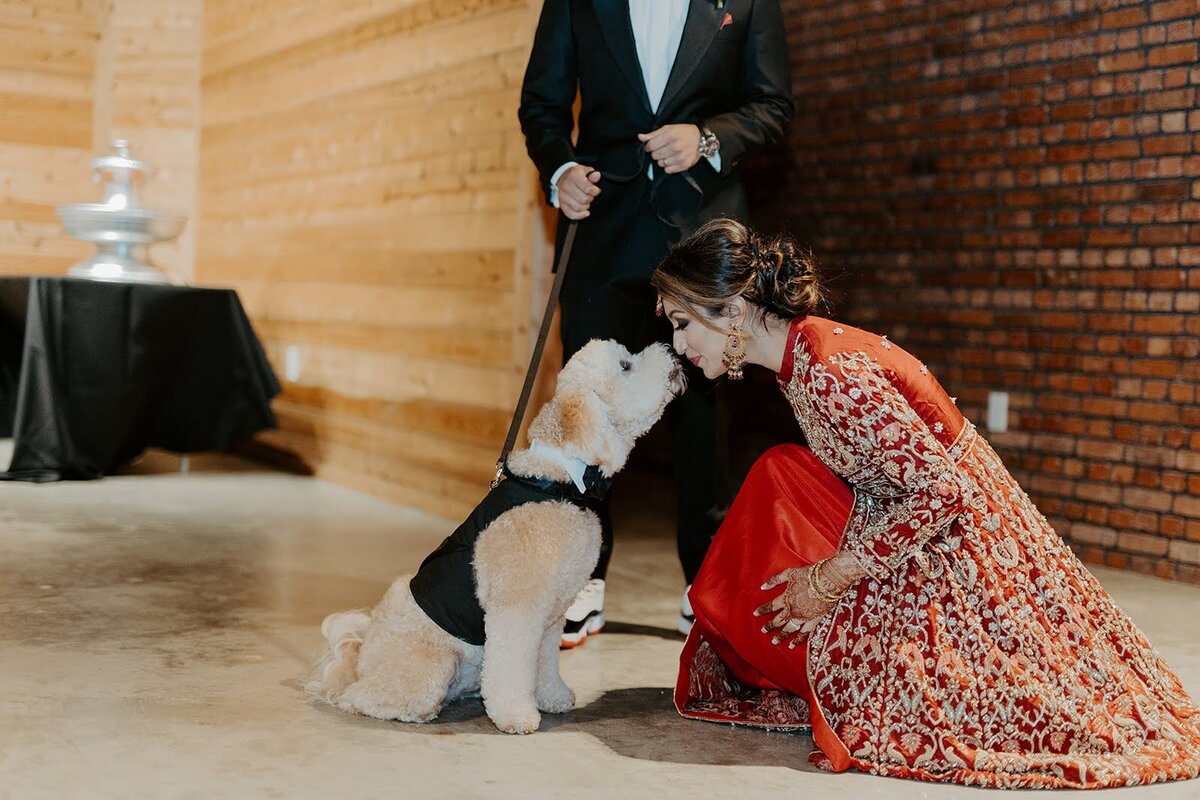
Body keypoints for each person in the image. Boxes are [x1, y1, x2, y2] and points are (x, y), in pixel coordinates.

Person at [653, 218, 1200, 789]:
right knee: (780, 472)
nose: (679, 344)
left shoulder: (828, 372)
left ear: (734, 312)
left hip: (961, 532)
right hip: (921, 507)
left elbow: (944, 493)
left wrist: (832, 575)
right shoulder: (801, 358)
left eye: (684, 323)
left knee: (943, 707)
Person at [518, 0, 793, 644]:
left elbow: (773, 104)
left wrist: (709, 139)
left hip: (702, 232)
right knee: (589, 403)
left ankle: (707, 582)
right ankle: (581, 579)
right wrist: (560, 170)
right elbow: (543, 105)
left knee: (708, 417)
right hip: (602, 231)